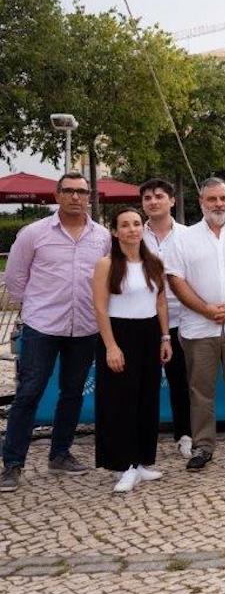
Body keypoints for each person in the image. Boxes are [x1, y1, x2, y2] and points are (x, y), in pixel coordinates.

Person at [0, 173, 109, 492]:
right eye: (69, 191)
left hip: (85, 325)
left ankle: (60, 454)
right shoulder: (34, 233)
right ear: (57, 195)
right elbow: (15, 278)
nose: (75, 197)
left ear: (89, 197)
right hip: (42, 326)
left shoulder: (102, 236)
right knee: (29, 392)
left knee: (73, 392)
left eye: (81, 192)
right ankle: (12, 463)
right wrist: (35, 307)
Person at [163, 177, 225, 471]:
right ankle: (202, 446)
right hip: (198, 328)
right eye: (212, 199)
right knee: (199, 391)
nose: (218, 204)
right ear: (201, 202)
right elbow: (175, 279)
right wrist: (205, 309)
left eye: (223, 198)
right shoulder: (183, 239)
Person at [92, 208, 171, 493]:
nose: (132, 229)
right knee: (119, 402)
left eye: (136, 224)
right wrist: (111, 346)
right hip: (119, 333)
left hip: (149, 333)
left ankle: (140, 461)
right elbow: (100, 307)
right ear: (115, 232)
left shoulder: (155, 263)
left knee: (146, 399)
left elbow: (160, 302)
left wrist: (165, 337)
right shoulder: (106, 264)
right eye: (125, 225)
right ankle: (123, 464)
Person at [138, 178, 192, 458]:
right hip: (144, 318)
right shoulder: (135, 235)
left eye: (159, 196)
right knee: (144, 384)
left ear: (172, 200)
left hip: (183, 319)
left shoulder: (189, 236)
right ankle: (141, 440)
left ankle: (185, 434)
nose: (153, 201)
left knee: (180, 381)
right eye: (147, 198)